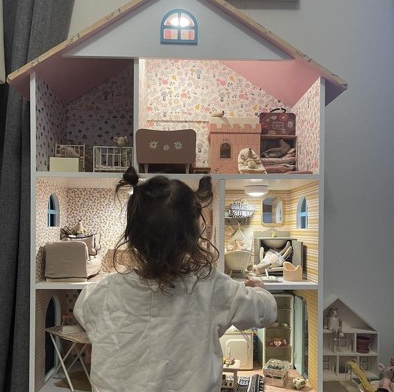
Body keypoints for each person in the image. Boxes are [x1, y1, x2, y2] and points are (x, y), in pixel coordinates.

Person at [74, 166, 277, 392]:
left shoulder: (103, 291)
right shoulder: (212, 286)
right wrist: (259, 289)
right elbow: (265, 312)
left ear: (133, 235)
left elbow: (82, 311)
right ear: (193, 235)